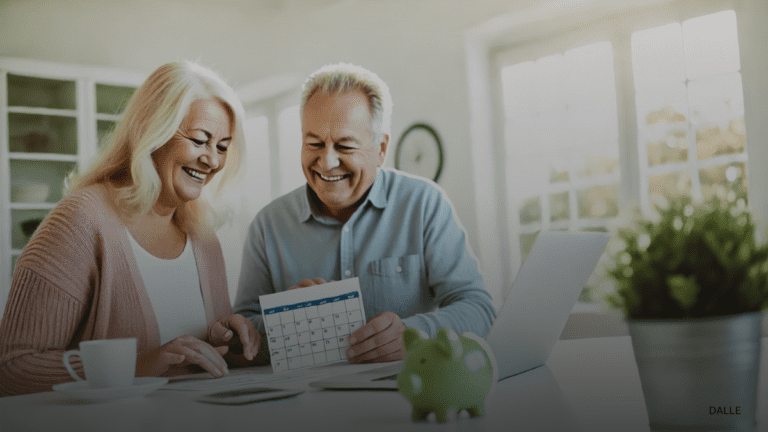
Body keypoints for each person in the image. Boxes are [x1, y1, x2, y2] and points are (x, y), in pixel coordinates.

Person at [0, 61, 259, 396]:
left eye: (222, 146)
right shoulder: (81, 221)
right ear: (153, 131)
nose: (212, 160)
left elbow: (200, 360)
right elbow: (13, 367)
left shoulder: (203, 235)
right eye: (199, 140)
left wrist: (227, 341)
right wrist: (139, 366)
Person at [233, 63, 495, 365]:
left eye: (344, 145)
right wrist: (290, 318)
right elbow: (241, 333)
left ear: (380, 148)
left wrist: (413, 335)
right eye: (314, 143)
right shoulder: (268, 226)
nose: (327, 162)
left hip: (409, 396)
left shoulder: (424, 204)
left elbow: (479, 308)